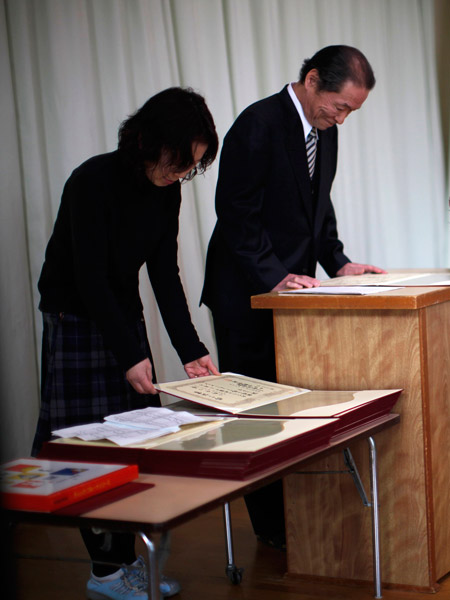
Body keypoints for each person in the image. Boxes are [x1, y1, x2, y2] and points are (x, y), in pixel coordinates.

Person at [33, 87, 220, 599]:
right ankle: (105, 574)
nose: (181, 173)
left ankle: (124, 565)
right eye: (179, 161)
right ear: (149, 140)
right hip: (77, 316)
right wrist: (130, 352)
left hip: (120, 316)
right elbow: (90, 277)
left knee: (135, 446)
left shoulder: (167, 189)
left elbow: (163, 272)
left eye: (192, 167)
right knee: (90, 447)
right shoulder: (93, 180)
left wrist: (190, 348)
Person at [201, 45, 383, 548]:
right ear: (311, 79)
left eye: (351, 112)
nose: (341, 119)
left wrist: (339, 262)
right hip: (246, 293)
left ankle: (295, 516)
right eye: (339, 106)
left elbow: (317, 210)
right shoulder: (258, 123)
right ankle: (271, 530)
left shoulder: (323, 134)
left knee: (293, 406)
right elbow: (236, 213)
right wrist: (273, 276)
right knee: (258, 410)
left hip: (288, 294)